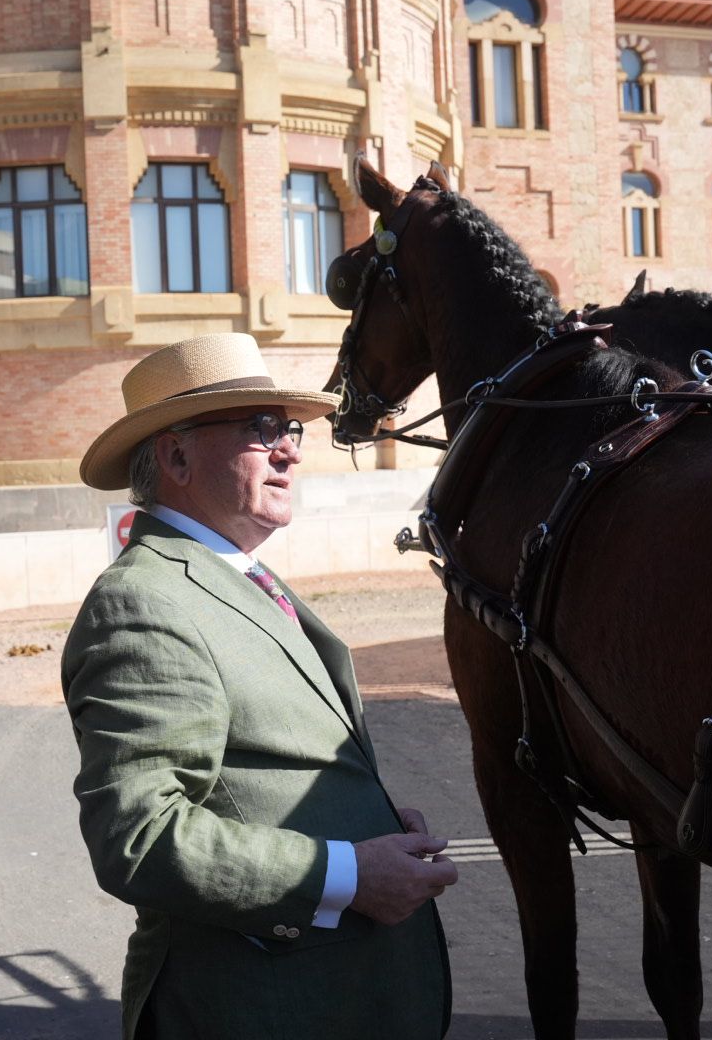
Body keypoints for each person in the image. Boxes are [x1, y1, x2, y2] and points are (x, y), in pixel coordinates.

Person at [63, 332, 457, 1039]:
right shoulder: (145, 602)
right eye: (261, 428)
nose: (292, 450)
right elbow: (139, 835)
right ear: (176, 455)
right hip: (259, 1007)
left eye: (291, 428)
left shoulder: (233, 576)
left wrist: (373, 831)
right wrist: (347, 872)